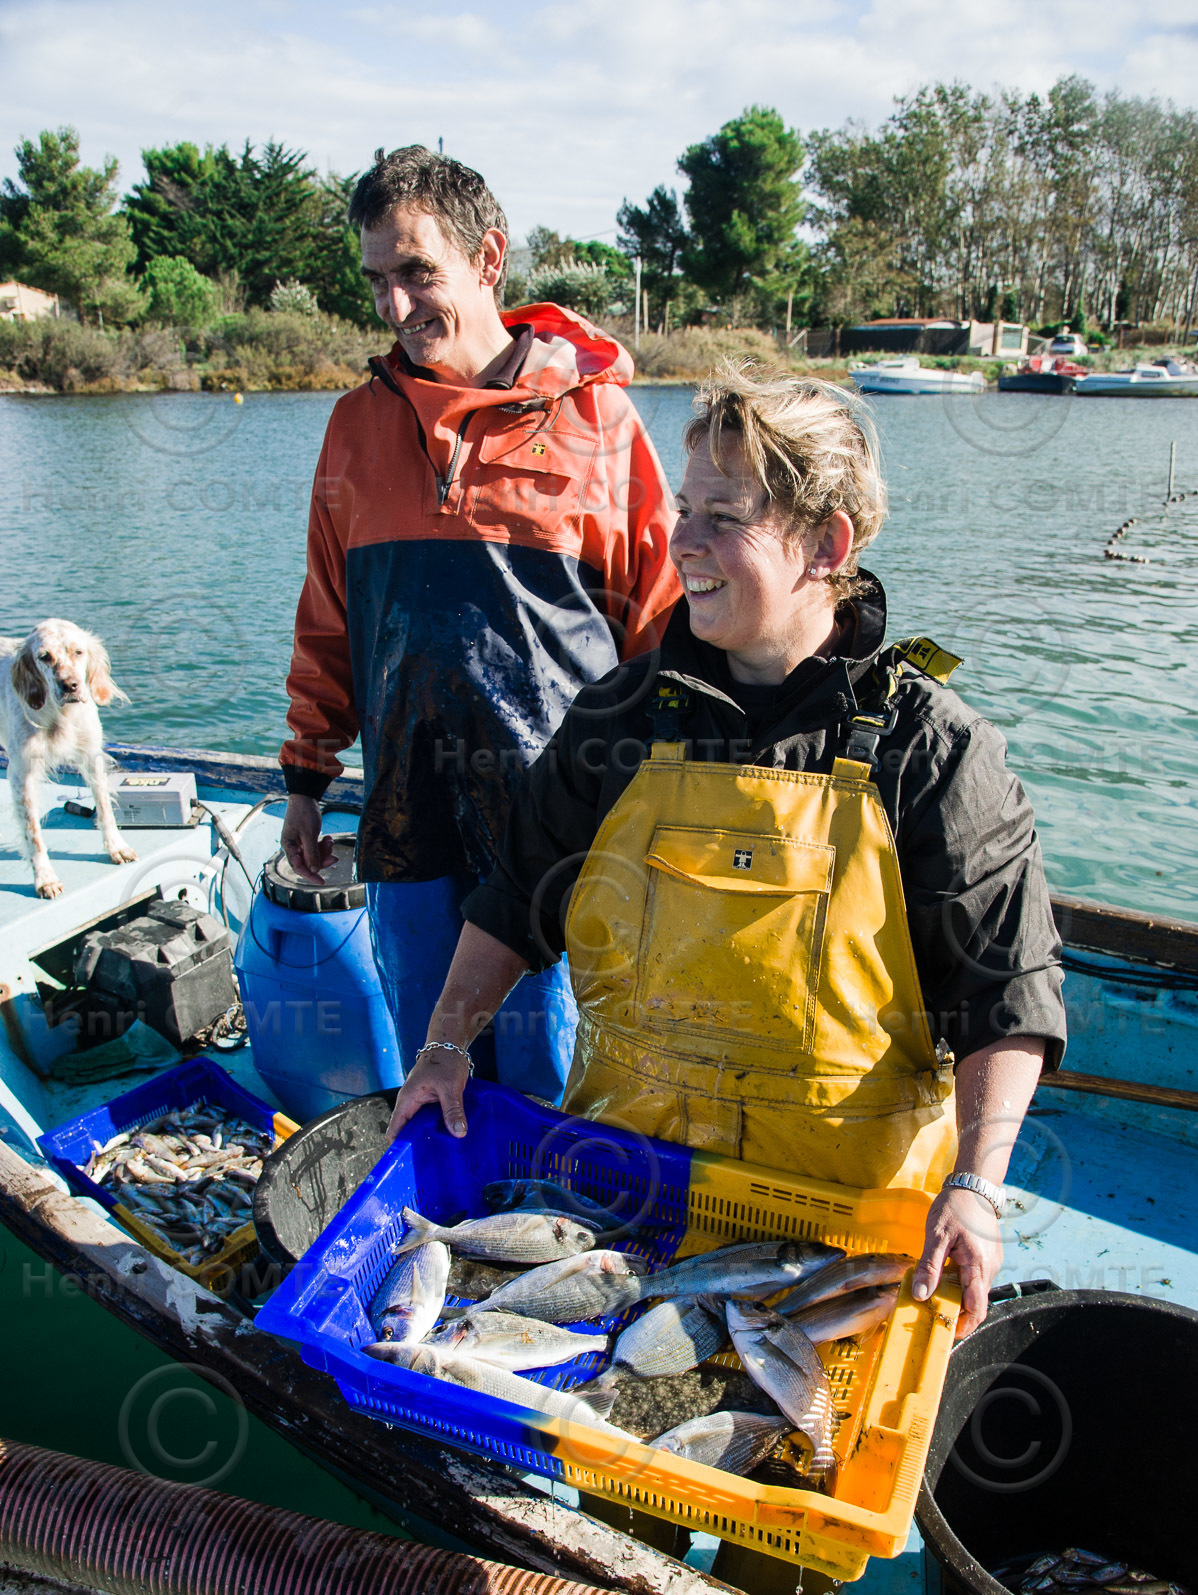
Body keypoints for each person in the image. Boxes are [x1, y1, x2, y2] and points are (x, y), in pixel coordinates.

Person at [386, 365, 1068, 1339]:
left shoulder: (935, 750)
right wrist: (445, 1046)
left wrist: (973, 1187)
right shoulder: (618, 719)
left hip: (840, 1249)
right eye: (684, 509)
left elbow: (1008, 989)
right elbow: (511, 899)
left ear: (825, 543)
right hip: (615, 1214)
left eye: (724, 516)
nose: (684, 542)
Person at [278, 146, 679, 1102]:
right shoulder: (353, 427)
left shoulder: (603, 422)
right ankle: (449, 1232)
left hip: (561, 823)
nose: (394, 306)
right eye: (376, 279)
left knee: (556, 1072)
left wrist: (678, 799)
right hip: (408, 815)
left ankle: (558, 1234)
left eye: (417, 271)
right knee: (432, 1060)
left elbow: (663, 624)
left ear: (488, 258)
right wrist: (305, 775)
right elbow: (327, 620)